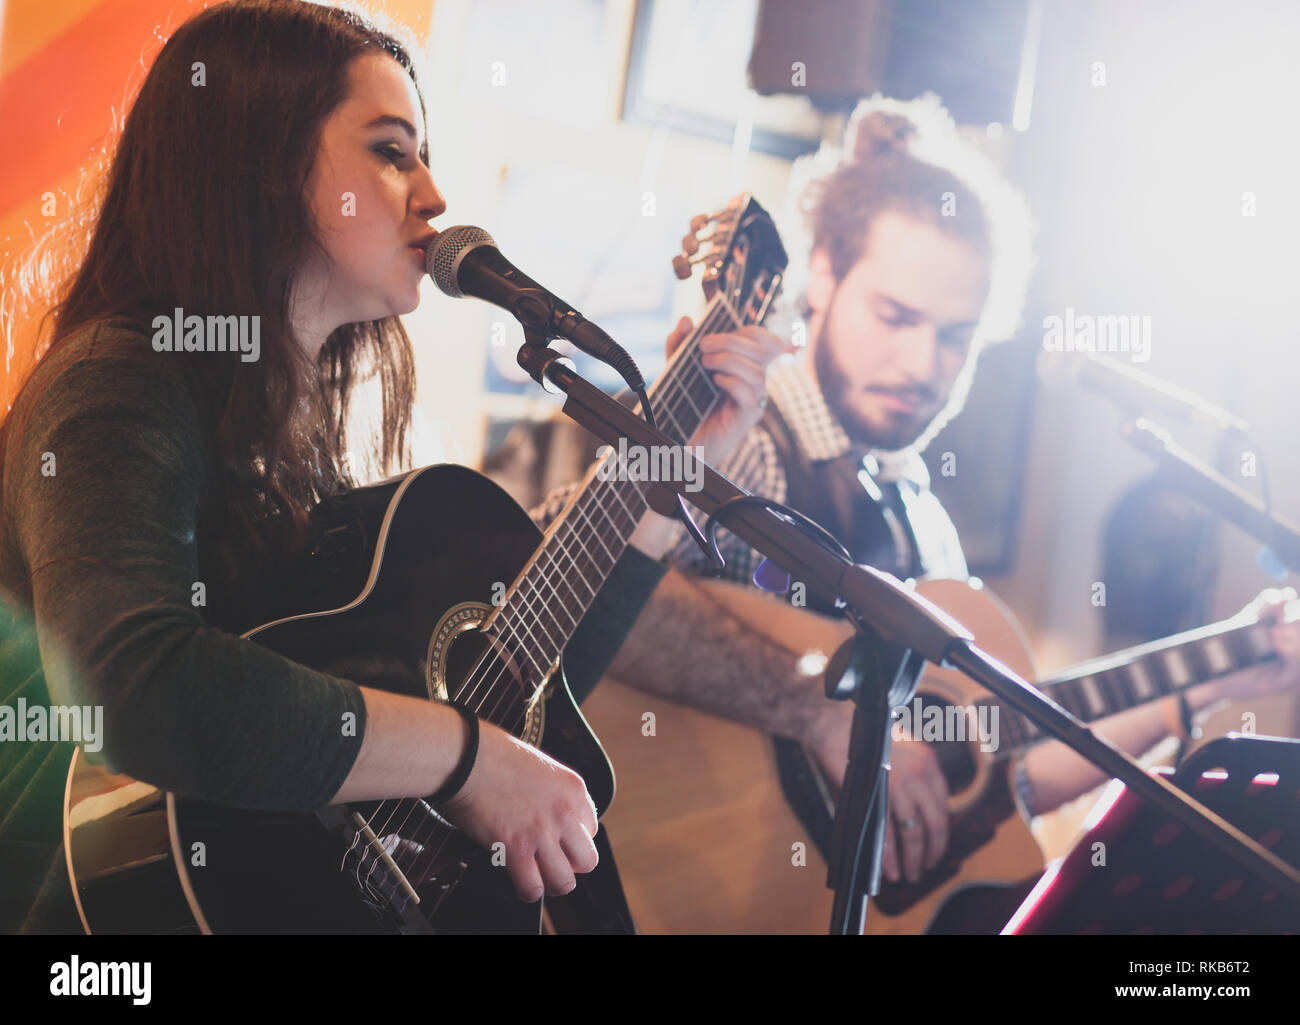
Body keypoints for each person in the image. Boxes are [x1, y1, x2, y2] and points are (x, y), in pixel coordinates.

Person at [0, 0, 780, 934]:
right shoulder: (117, 385)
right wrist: (468, 760)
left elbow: (520, 693)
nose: (435, 195)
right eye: (390, 149)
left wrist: (667, 486)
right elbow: (134, 688)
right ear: (259, 162)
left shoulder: (294, 433)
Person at [599, 94, 1300, 909]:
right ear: (822, 273)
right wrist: (819, 713)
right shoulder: (747, 438)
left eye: (957, 335)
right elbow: (596, 604)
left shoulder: (919, 516)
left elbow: (999, 774)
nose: (922, 362)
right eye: (895, 316)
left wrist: (1215, 673)